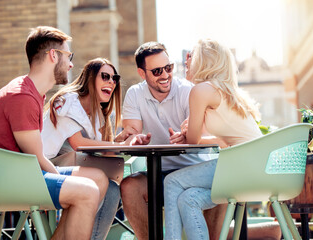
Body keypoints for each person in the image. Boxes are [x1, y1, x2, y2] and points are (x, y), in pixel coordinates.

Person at [0, 26, 107, 240]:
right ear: (53, 55)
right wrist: (63, 181)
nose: (71, 64)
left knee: (99, 178)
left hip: (16, 174)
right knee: (87, 191)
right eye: (69, 56)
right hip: (4, 182)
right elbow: (37, 160)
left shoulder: (31, 92)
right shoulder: (22, 96)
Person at [115, 41, 225, 240]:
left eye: (169, 68)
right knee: (129, 186)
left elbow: (199, 133)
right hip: (158, 173)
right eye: (157, 71)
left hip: (196, 169)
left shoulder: (188, 90)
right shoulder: (134, 94)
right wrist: (135, 138)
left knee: (221, 185)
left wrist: (188, 137)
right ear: (142, 73)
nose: (165, 75)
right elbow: (131, 132)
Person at [163, 39, 264, 240]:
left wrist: (189, 135)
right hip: (257, 168)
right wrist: (192, 136)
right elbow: (224, 142)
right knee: (188, 199)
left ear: (204, 61)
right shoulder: (227, 91)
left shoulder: (202, 90)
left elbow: (193, 139)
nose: (186, 60)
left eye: (191, 55)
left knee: (172, 182)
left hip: (243, 166)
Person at [41, 57, 151, 239]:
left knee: (113, 190)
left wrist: (121, 138)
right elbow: (78, 143)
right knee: (100, 178)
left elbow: (99, 150)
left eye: (114, 78)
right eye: (105, 76)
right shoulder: (68, 101)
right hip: (43, 168)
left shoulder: (98, 113)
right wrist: (120, 145)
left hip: (66, 169)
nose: (111, 82)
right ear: (90, 79)